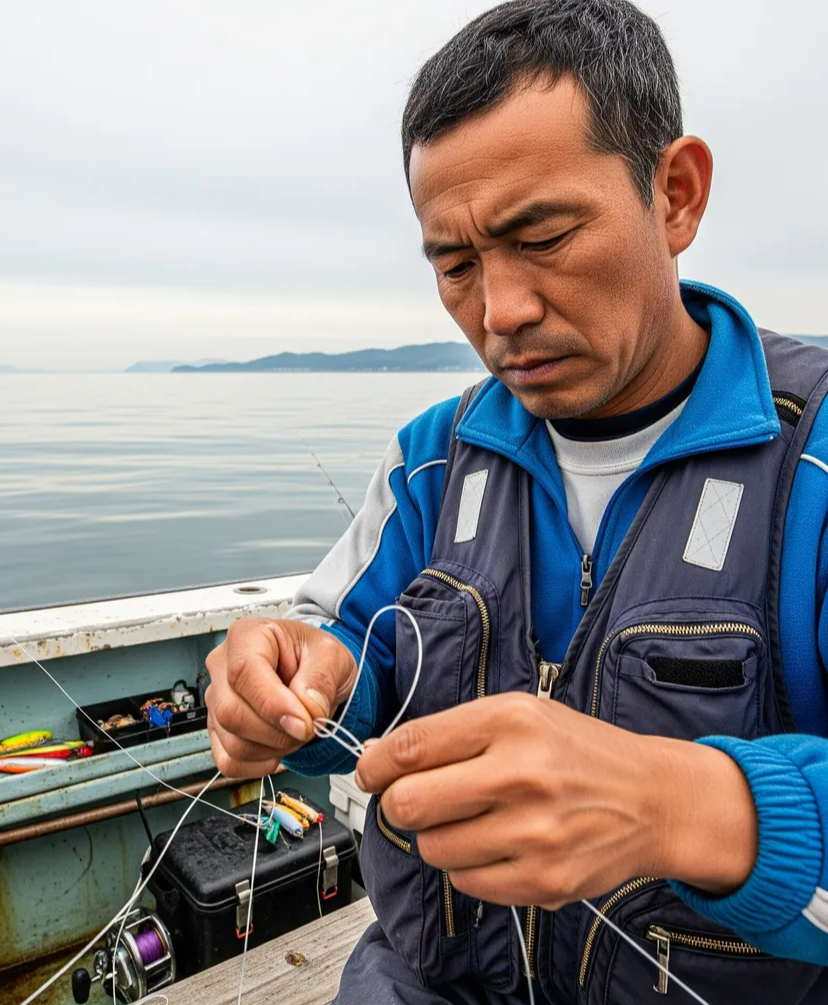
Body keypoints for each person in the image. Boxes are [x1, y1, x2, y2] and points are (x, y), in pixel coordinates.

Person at [205, 1, 828, 1001]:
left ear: (676, 193)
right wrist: (290, 685)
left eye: (541, 235)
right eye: (455, 264)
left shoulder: (818, 467)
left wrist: (688, 807)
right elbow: (345, 657)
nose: (499, 313)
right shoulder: (429, 463)